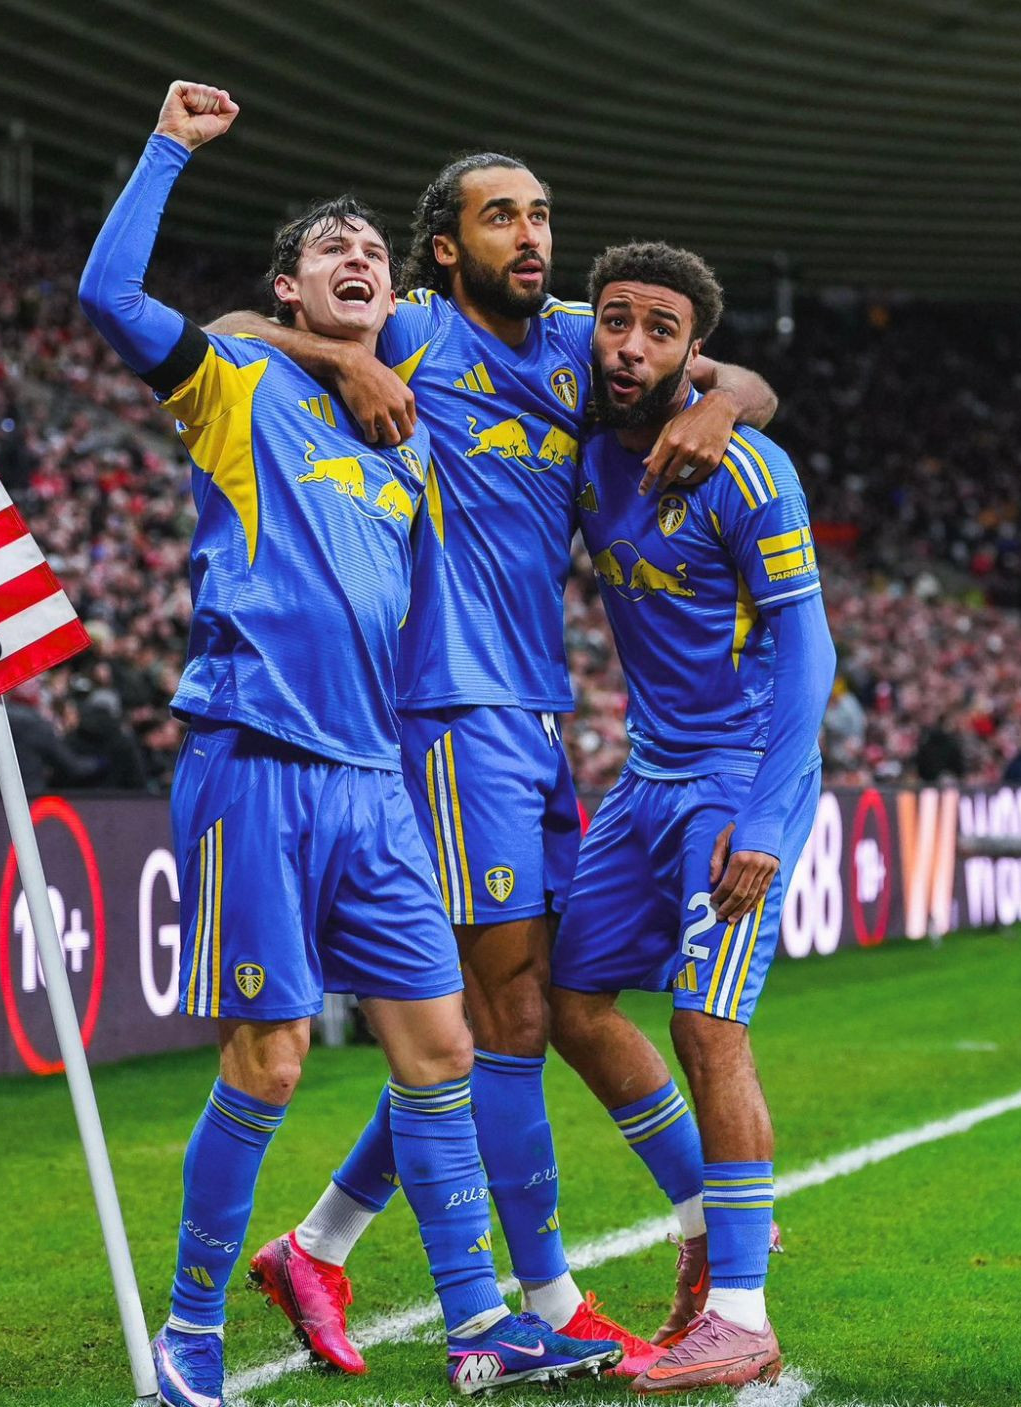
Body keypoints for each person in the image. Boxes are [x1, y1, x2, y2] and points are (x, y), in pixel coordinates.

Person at [79, 82, 620, 1404]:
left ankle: (481, 1324)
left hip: (377, 781)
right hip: (255, 758)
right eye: (333, 248)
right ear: (290, 287)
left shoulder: (405, 440)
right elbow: (111, 295)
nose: (359, 256)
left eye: (373, 248)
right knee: (267, 1061)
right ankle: (190, 1336)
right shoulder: (236, 384)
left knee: (443, 1051)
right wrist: (167, 150)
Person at [213, 152, 777, 1376]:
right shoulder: (411, 326)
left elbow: (732, 372)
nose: (530, 236)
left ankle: (317, 1243)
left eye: (540, 216)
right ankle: (561, 1290)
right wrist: (344, 360)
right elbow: (232, 332)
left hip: (532, 711)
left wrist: (724, 405)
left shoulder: (579, 339)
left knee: (499, 1010)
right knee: (511, 1011)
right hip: (440, 706)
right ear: (445, 246)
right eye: (500, 218)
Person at [544, 243, 838, 1390]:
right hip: (646, 776)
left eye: (658, 331)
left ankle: (743, 1316)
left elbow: (807, 654)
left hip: (736, 779)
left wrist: (764, 821)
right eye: (613, 320)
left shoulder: (745, 471)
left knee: (707, 1027)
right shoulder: (579, 444)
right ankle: (709, 1221)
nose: (629, 346)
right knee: (570, 1003)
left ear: (691, 351)